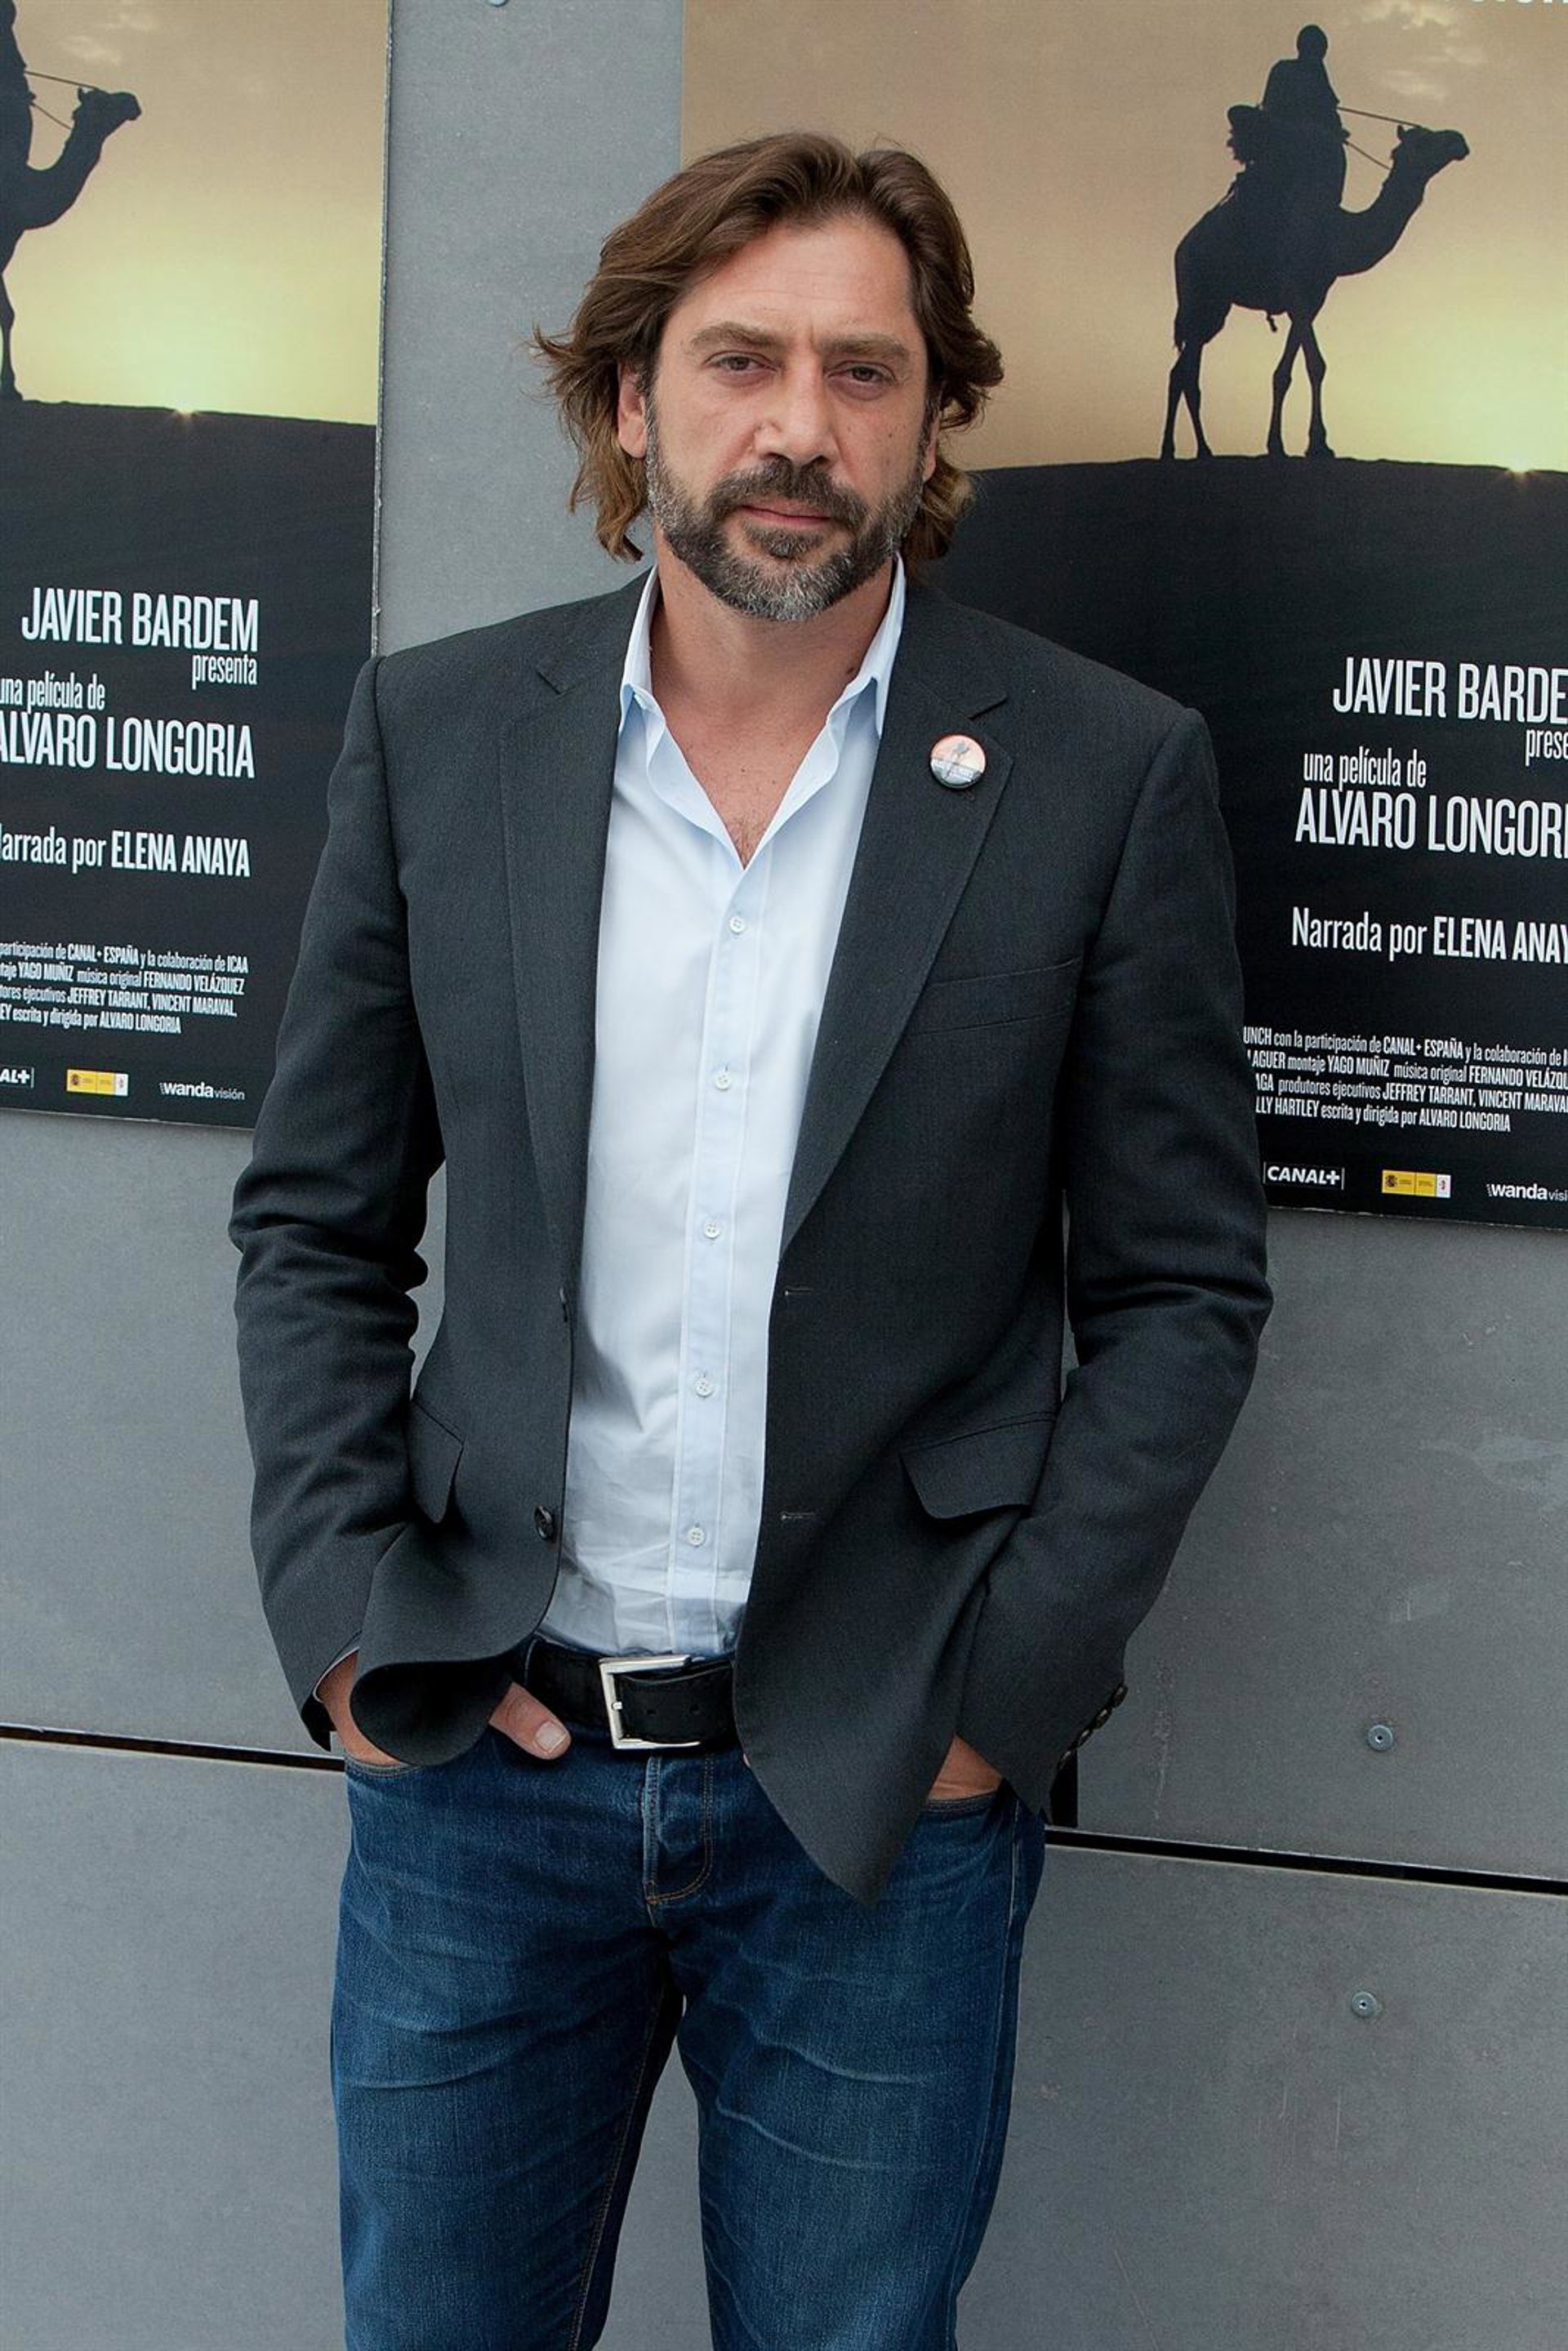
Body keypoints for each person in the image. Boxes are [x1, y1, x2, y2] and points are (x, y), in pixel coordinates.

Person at [231, 131, 1271, 2351]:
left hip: (878, 1800)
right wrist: (346, 1633)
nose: (801, 426)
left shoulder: (1101, 775)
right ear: (633, 400)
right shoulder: (444, 737)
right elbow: (316, 1222)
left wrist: (1000, 1700)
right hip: (484, 1772)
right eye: (740, 362)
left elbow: (1183, 1290)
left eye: (863, 372)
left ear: (930, 418)